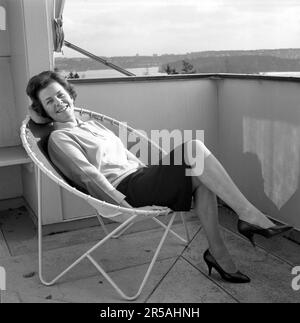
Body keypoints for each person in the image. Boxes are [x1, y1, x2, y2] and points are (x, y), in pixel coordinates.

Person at [26, 70, 292, 284]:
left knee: (200, 177)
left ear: (70, 94)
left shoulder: (93, 125)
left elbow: (128, 159)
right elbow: (89, 178)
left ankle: (219, 253)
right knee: (194, 149)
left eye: (60, 95)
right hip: (126, 192)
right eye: (49, 102)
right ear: (43, 111)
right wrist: (126, 207)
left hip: (140, 178)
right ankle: (248, 217)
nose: (59, 103)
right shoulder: (61, 139)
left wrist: (152, 175)